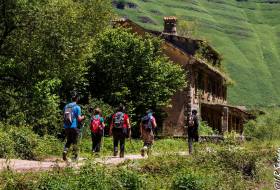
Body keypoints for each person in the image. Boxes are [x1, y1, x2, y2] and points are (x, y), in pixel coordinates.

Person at [62, 92, 85, 161]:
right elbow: (79, 119)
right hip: (74, 126)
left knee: (68, 140)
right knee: (75, 141)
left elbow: (64, 116)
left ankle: (65, 151)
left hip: (66, 126)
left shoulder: (66, 106)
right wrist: (83, 117)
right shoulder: (77, 107)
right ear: (77, 99)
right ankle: (74, 157)